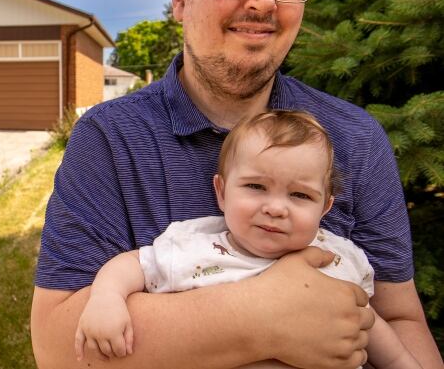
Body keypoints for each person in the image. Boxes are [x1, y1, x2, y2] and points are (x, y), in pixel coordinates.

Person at [30, 0, 443, 369]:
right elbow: (58, 348)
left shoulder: (354, 138)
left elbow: (399, 319)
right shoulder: (110, 138)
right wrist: (261, 316)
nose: (265, 1)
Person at [74, 110, 421, 369]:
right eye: (256, 187)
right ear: (222, 193)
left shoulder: (338, 259)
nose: (275, 208)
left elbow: (368, 326)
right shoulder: (197, 246)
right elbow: (133, 264)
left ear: (325, 207)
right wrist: (107, 298)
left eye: (300, 196)